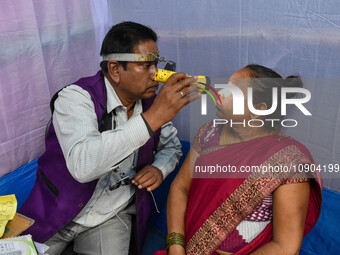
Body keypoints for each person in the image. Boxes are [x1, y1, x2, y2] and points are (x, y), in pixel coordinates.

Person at [19, 21, 200, 255]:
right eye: (146, 65)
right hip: (58, 207)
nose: (157, 74)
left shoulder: (151, 104)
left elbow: (172, 147)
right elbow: (83, 166)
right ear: (115, 69)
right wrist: (151, 119)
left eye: (157, 63)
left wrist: (159, 168)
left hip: (111, 214)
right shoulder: (76, 98)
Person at [156, 64, 322, 255]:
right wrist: (176, 247)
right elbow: (180, 188)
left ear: (258, 109)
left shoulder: (289, 162)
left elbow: (285, 246)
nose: (220, 94)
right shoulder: (209, 131)